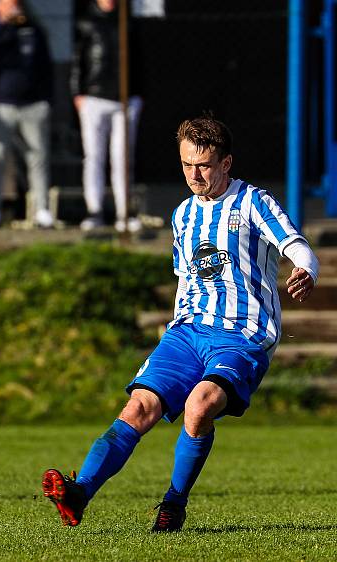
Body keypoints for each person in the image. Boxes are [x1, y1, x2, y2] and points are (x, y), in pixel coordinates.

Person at [41, 115, 319, 532]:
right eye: (187, 164)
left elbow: (295, 244)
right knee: (138, 408)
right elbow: (185, 277)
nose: (194, 174)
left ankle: (174, 503)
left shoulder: (253, 202)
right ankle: (79, 492)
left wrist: (306, 269)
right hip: (187, 333)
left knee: (199, 406)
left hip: (241, 336)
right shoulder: (183, 215)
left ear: (226, 163)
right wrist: (173, 329)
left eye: (204, 165)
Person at [0, 0, 54, 229]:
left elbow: (46, 66)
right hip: (3, 105)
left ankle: (41, 209)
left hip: (34, 105)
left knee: (37, 157)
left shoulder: (34, 30)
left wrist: (46, 101)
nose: (14, 8)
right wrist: (3, 24)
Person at [71, 0, 143, 233]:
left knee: (122, 158)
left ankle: (124, 212)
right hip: (94, 97)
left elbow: (140, 59)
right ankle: (95, 210)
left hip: (125, 99)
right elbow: (78, 59)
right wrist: (77, 93)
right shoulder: (86, 21)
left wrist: (138, 95)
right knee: (94, 156)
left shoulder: (127, 21)